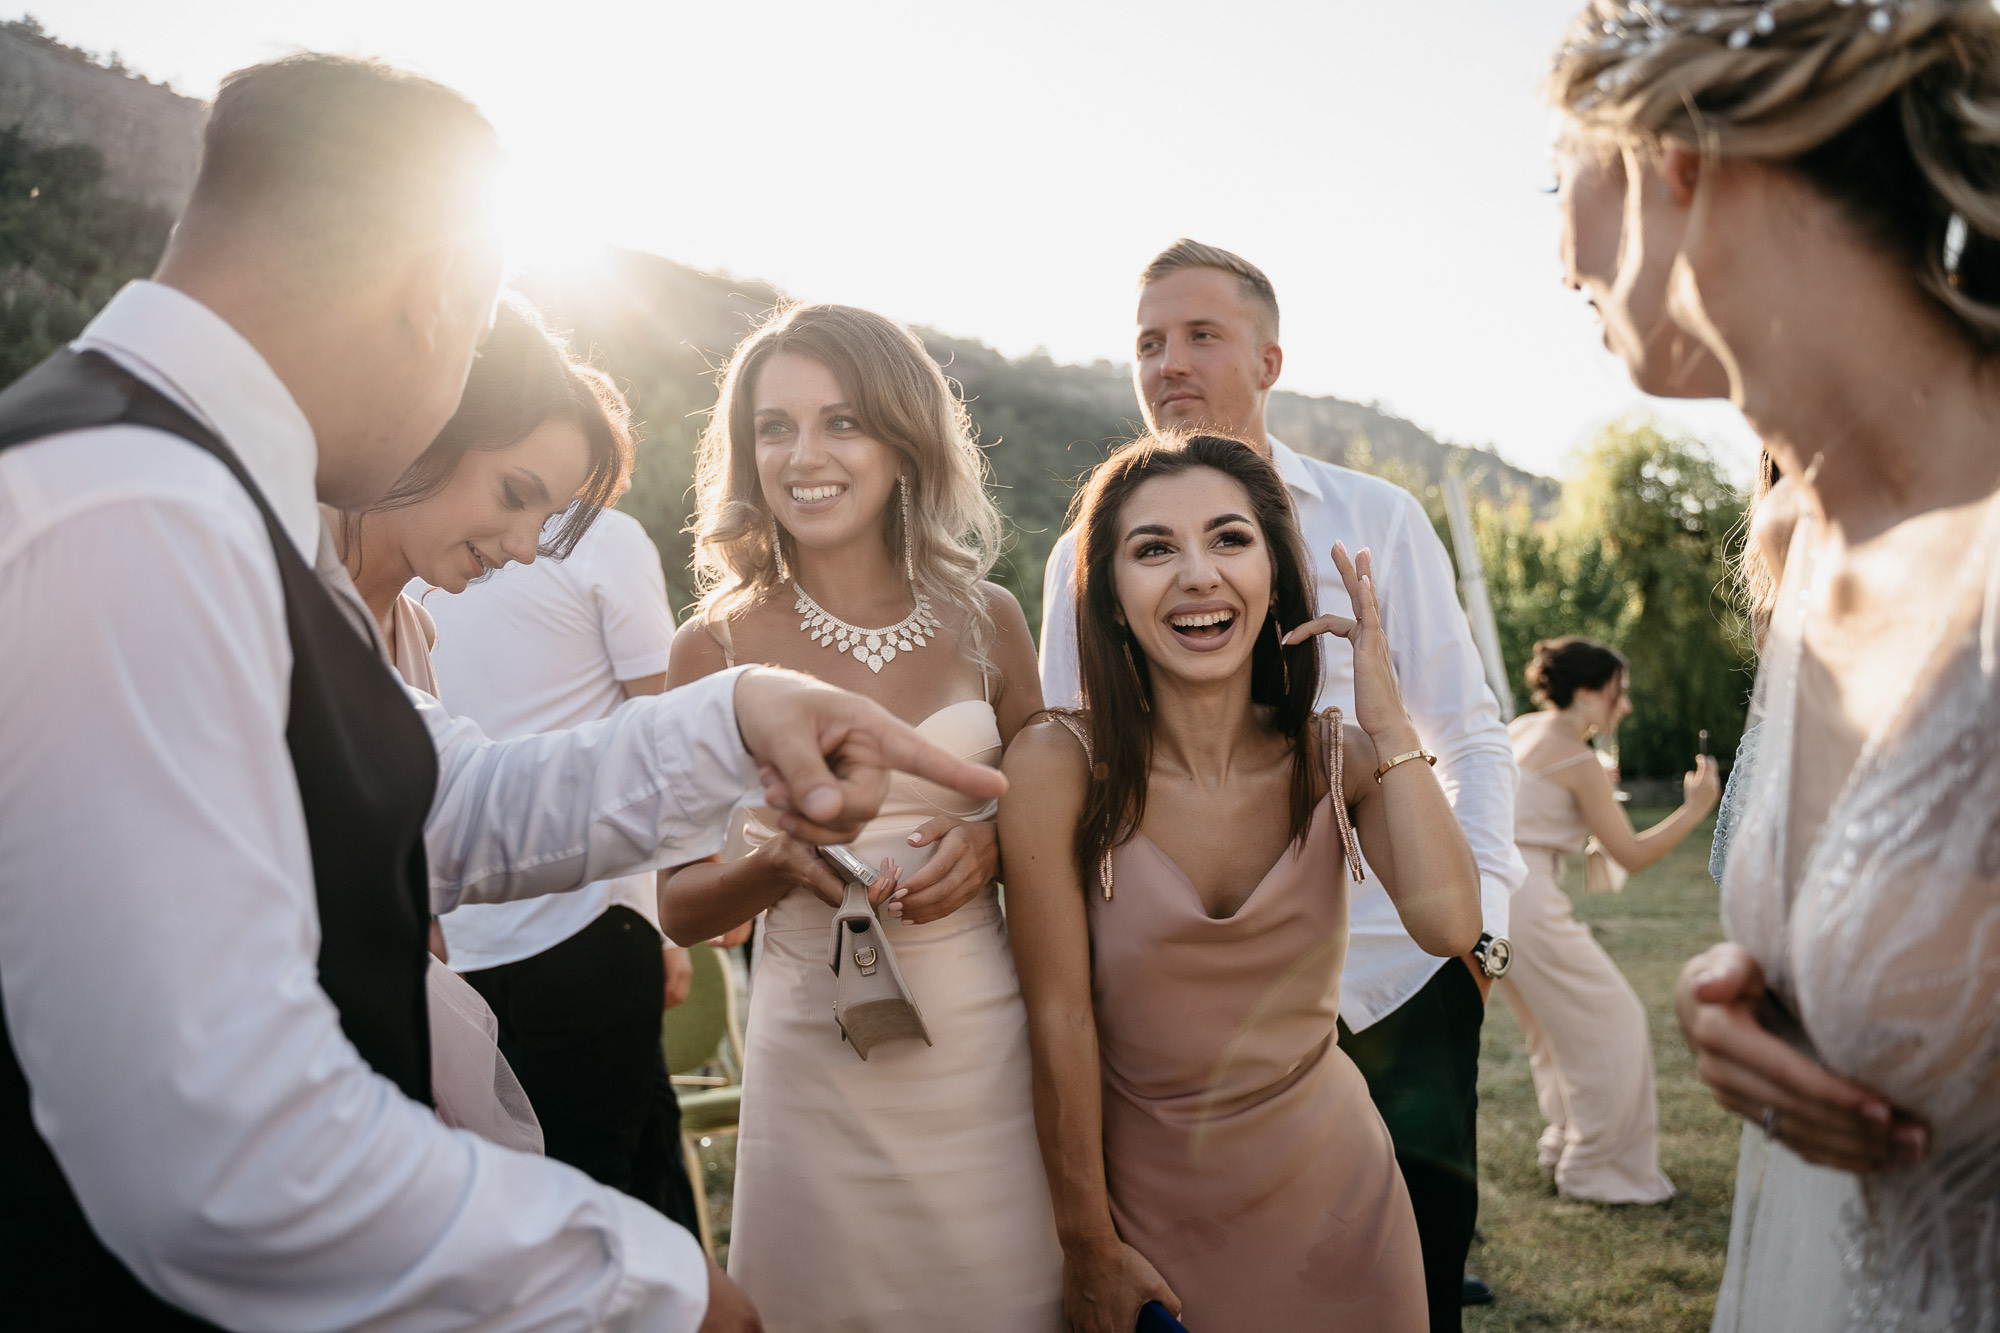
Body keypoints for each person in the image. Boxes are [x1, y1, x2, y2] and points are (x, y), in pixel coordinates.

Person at [0, 55, 1003, 1332]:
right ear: (435, 299)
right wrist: (652, 1287)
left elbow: (437, 799)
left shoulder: (195, 499)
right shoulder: (134, 516)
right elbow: (223, 1150)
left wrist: (736, 712)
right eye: (479, 335)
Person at [1549, 1, 2000, 1325]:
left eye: (1553, 170)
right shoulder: (1805, 542)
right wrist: (1744, 1001)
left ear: (1671, 157)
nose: (1553, 248)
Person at [1038, 239, 1525, 1326]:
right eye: (1147, 343)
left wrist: (1483, 922)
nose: (1168, 362)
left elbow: (1471, 732)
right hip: (1185, 1022)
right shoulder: (1082, 552)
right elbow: (1076, 762)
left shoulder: (1376, 517)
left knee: (1415, 1259)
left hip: (1400, 970)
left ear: (1268, 357)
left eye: (1199, 335)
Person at [658, 303, 1062, 1331]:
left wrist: (989, 846)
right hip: (812, 1059)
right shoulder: (710, 647)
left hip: (984, 1053)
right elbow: (678, 906)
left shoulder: (990, 619)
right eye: (773, 427)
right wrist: (779, 861)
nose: (804, 455)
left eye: (840, 421)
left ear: (901, 437)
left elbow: (1068, 807)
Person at [337, 291, 703, 1222]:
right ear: (432, 424)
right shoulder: (274, 579)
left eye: (552, 515)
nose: (525, 546)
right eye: (514, 494)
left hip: (518, 958)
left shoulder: (411, 628)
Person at [1501, 636, 1718, 1204]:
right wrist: (1695, 808)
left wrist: (1594, 778)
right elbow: (1631, 854)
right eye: (1619, 694)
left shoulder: (1525, 729)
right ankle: (1598, 1166)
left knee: (1551, 1034)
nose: (1626, 707)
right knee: (1615, 1022)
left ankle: (1567, 1142)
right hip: (1530, 902)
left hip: (1495, 899)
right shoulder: (1576, 758)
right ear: (1590, 692)